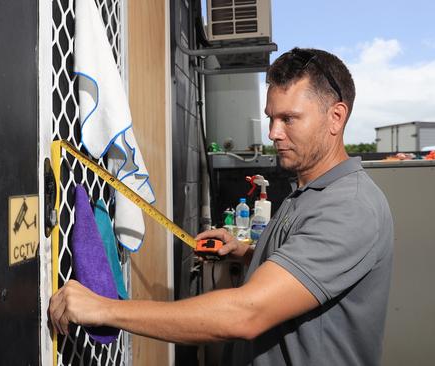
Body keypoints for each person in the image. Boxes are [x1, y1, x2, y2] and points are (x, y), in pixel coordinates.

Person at [49, 48, 394, 365]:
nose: (273, 133)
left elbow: (246, 314)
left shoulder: (349, 206)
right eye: (271, 117)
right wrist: (244, 253)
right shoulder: (308, 191)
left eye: (289, 119)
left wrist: (106, 309)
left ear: (336, 117)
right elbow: (306, 270)